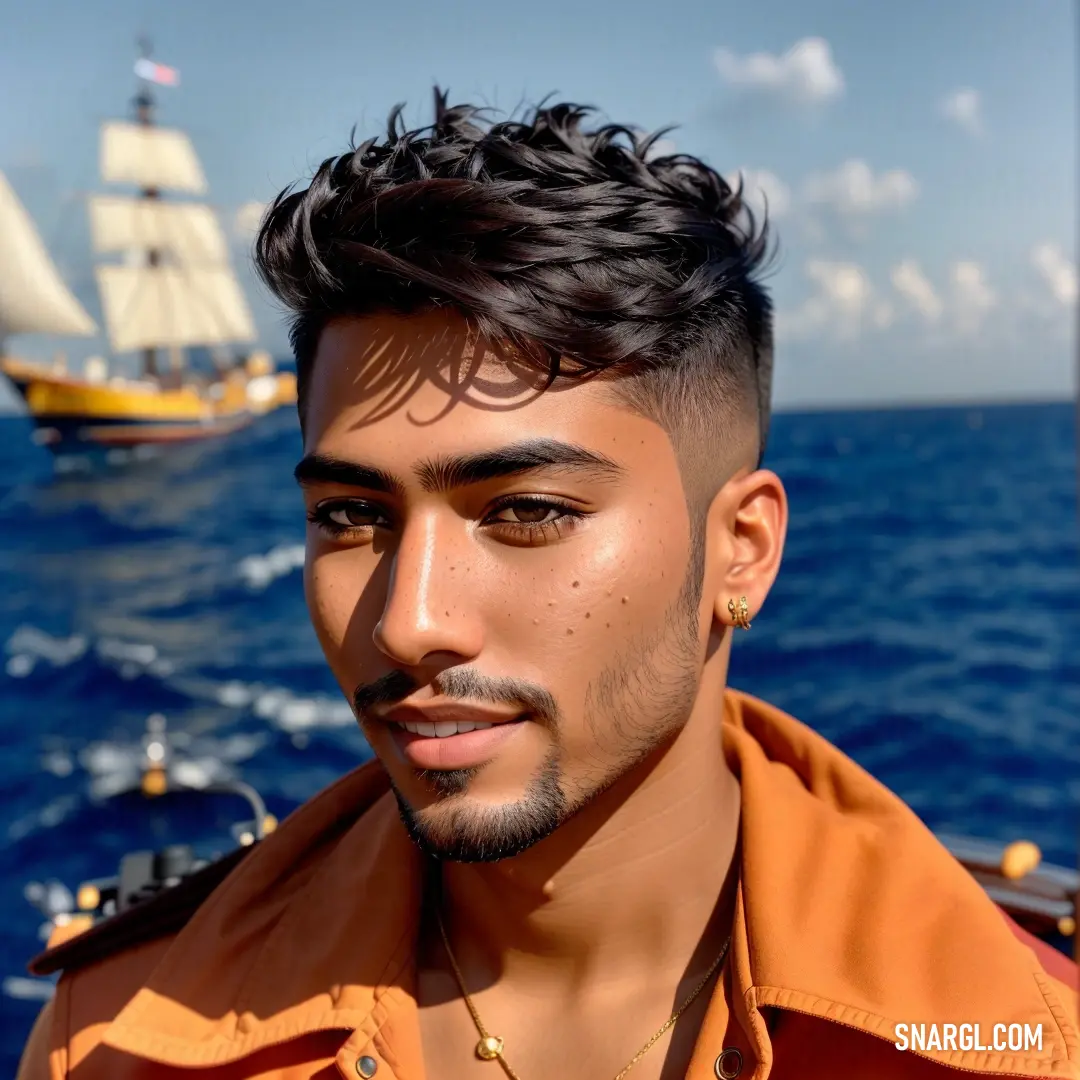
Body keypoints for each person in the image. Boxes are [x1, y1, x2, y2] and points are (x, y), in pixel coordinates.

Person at [18, 91, 1079, 1080]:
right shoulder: (112, 1041)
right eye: (350, 516)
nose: (408, 622)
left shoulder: (1025, 1042)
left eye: (528, 512)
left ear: (743, 551)